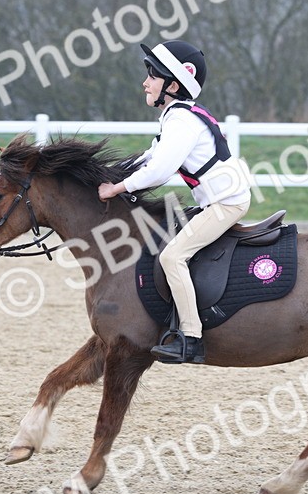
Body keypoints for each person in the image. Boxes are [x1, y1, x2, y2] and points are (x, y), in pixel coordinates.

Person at [98, 40, 253, 364]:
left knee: (172, 257)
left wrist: (117, 189)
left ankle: (191, 338)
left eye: (152, 76)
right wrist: (113, 173)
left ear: (172, 85)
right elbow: (151, 156)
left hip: (225, 204)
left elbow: (159, 170)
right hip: (217, 200)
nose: (145, 82)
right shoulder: (178, 116)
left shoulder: (182, 122)